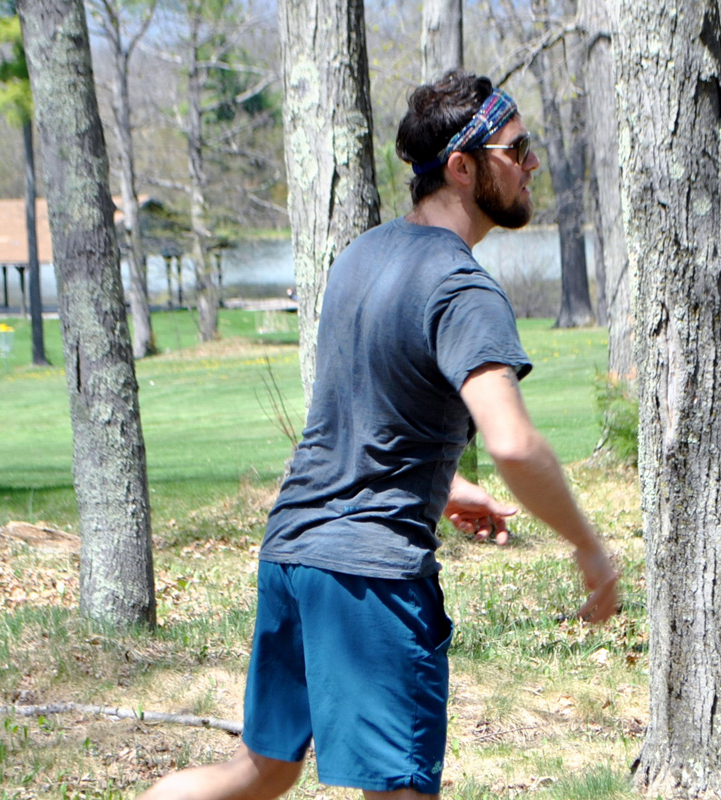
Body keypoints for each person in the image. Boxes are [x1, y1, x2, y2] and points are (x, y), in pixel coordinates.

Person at [140, 69, 620, 800]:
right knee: (398, 791)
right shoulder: (463, 290)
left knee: (262, 771)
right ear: (463, 167)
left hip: (292, 552)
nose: (532, 165)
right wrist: (589, 546)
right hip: (369, 577)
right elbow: (514, 443)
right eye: (517, 150)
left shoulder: (362, 258)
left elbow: (366, 416)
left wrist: (445, 483)